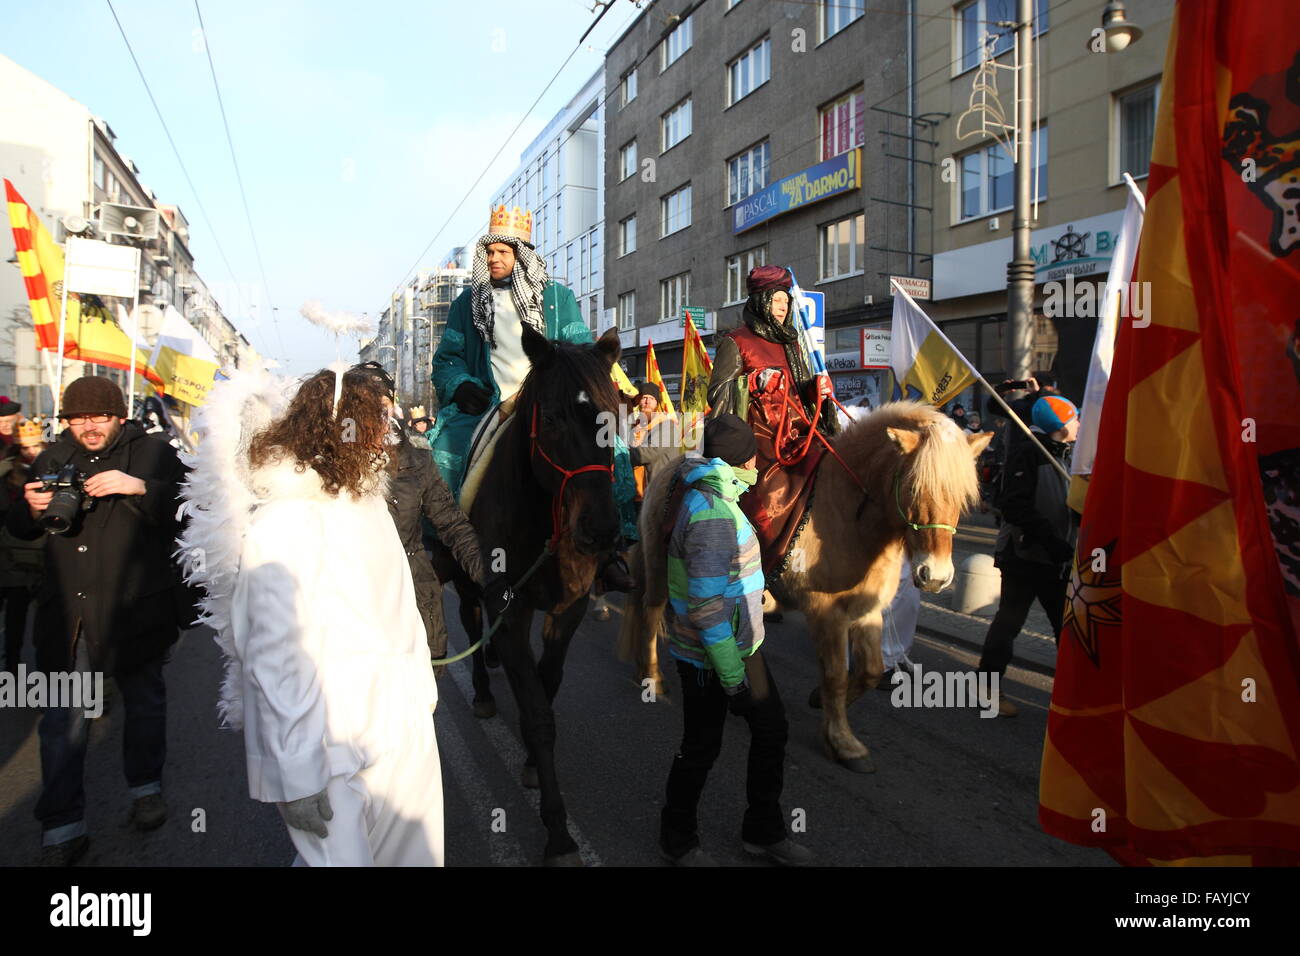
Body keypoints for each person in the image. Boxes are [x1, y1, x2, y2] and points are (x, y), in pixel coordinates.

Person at [227, 365, 446, 866]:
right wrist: (296, 772)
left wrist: (420, 698)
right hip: (330, 750)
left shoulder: (368, 505)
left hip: (402, 734)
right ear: (336, 430)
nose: (388, 436)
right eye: (376, 424)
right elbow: (272, 658)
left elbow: (402, 612)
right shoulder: (282, 522)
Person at [6, 377, 188, 866]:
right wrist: (28, 506)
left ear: (119, 416)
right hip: (70, 617)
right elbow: (22, 528)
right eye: (77, 418)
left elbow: (191, 512)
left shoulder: (151, 453)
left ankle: (145, 789)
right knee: (63, 722)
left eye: (99, 417)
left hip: (136, 610)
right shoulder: (49, 458)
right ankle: (63, 823)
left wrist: (141, 487)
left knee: (145, 706)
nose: (88, 427)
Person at [427, 205, 635, 590]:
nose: (494, 259)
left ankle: (609, 549)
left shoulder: (557, 298)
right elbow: (446, 360)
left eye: (503, 252)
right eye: (489, 252)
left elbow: (581, 351)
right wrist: (460, 385)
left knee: (615, 450)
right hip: (491, 404)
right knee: (443, 450)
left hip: (552, 404)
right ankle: (446, 546)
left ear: (521, 254)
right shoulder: (465, 304)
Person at [659, 413, 813, 867]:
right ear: (744, 460)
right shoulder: (713, 513)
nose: (757, 468)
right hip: (712, 658)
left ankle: (763, 831)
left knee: (772, 730)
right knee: (701, 747)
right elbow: (706, 610)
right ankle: (677, 839)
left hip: (742, 647)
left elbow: (722, 582)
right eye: (754, 459)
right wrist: (733, 680)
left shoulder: (717, 495)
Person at [349, 361, 506, 668]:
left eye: (383, 405)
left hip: (414, 600)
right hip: (357, 605)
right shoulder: (331, 466)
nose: (377, 416)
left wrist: (490, 578)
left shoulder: (417, 459)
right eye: (366, 406)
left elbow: (451, 522)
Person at [707, 265, 837, 575]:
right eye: (777, 300)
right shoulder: (736, 341)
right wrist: (751, 383)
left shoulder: (793, 343)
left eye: (787, 301)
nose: (783, 307)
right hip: (758, 435)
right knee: (768, 495)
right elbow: (716, 393)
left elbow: (802, 390)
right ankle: (759, 569)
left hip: (797, 431)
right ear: (761, 301)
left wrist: (815, 389)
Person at [978, 395, 1079, 717]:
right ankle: (987, 692)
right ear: (1061, 425)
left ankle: (1076, 696)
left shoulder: (1069, 454)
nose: (1079, 424)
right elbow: (1016, 506)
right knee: (1009, 623)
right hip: (1024, 556)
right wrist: (1052, 542)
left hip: (1056, 559)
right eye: (1074, 418)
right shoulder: (1029, 453)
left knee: (1068, 629)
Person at [0, 420, 46, 674]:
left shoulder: (53, 465)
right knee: (15, 619)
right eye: (25, 447)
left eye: (35, 445)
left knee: (46, 625)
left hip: (44, 557)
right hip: (13, 557)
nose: (31, 451)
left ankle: (46, 675)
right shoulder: (8, 471)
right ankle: (12, 668)